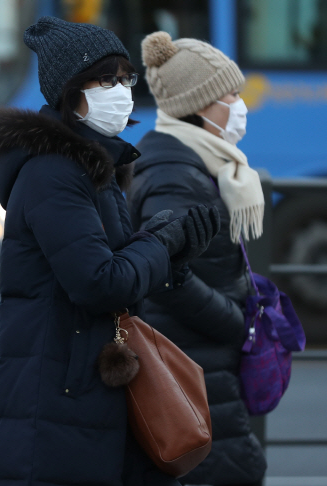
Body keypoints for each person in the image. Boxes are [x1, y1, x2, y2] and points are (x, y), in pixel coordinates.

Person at [0, 16, 219, 486]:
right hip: (57, 405)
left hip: (86, 395)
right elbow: (99, 282)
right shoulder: (54, 171)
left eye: (125, 77)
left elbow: (116, 265)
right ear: (71, 92)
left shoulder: (93, 163)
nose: (121, 89)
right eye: (105, 79)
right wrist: (160, 241)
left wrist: (174, 252)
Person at [126, 31, 268, 486]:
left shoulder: (195, 162)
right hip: (195, 364)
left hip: (201, 364)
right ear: (201, 104)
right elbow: (166, 273)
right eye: (231, 95)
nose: (240, 105)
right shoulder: (175, 175)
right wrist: (235, 320)